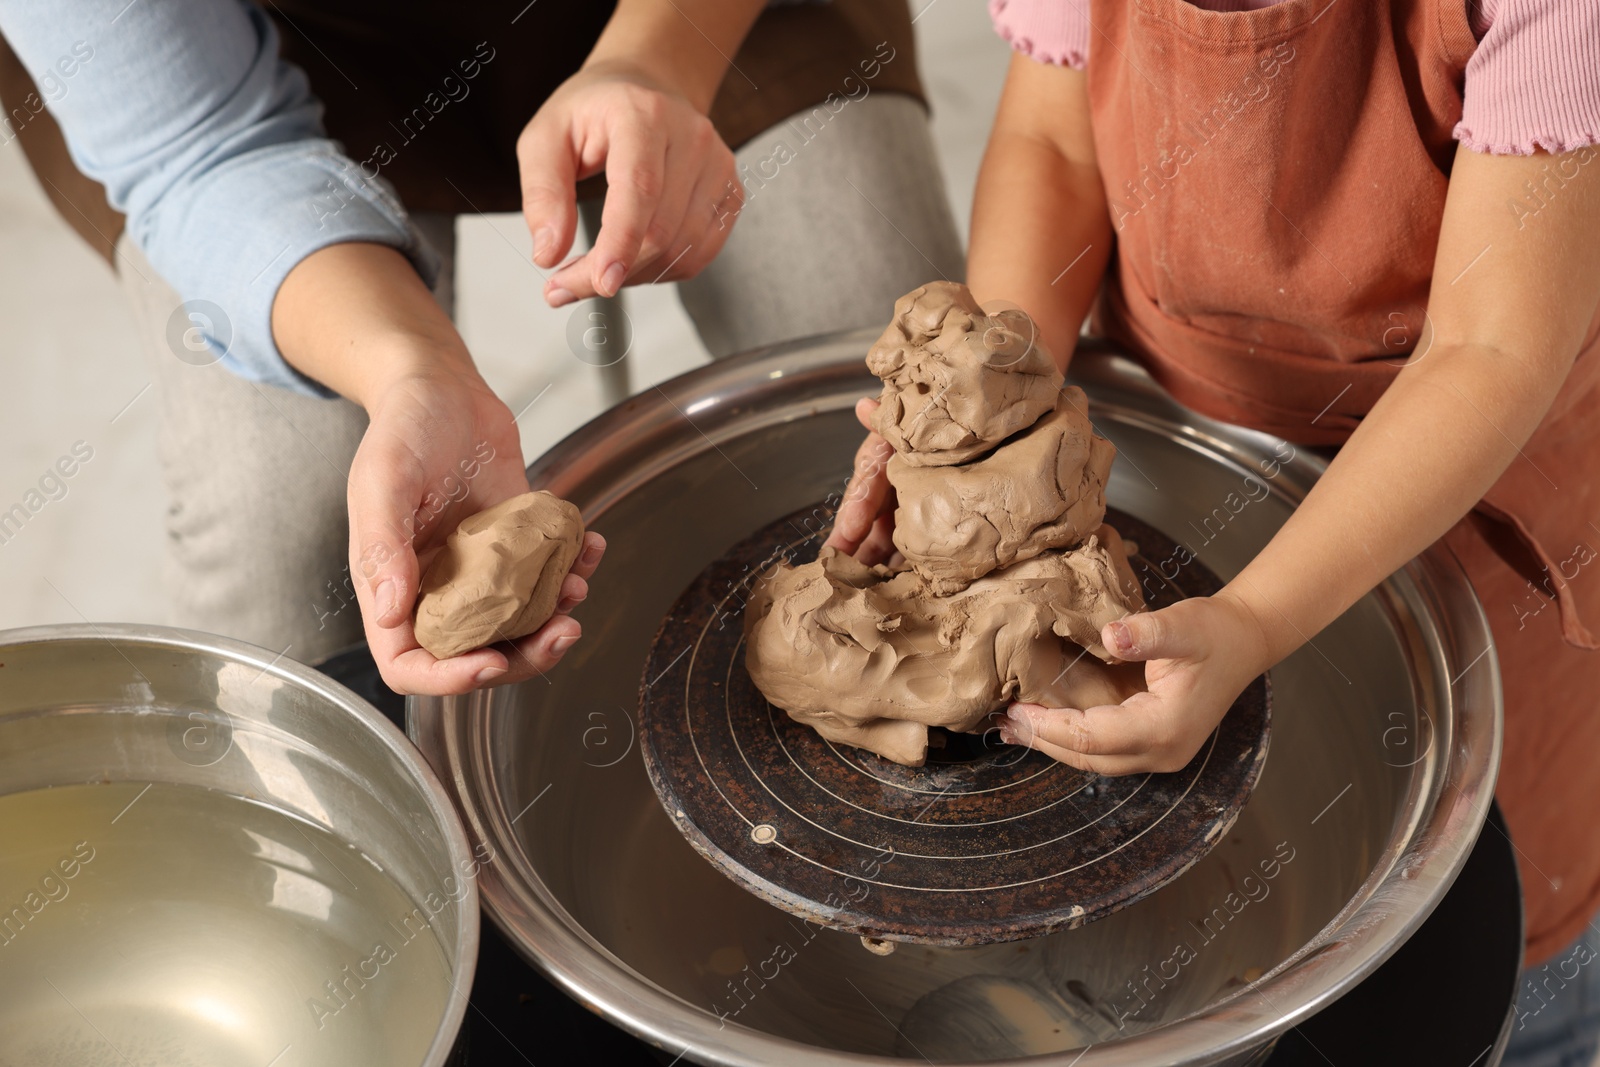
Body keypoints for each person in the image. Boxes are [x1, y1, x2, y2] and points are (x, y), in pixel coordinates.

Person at [826, 0, 1600, 1060]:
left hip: (1462, 480)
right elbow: (1051, 145)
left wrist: (1253, 614)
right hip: (1182, 434)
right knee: (1200, 888)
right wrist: (990, 422)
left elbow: (1490, 350)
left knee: (1496, 924)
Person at [0, 0, 962, 693]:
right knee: (283, 533)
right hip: (279, 50)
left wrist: (660, 60)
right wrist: (411, 369)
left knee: (906, 418)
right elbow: (200, 147)